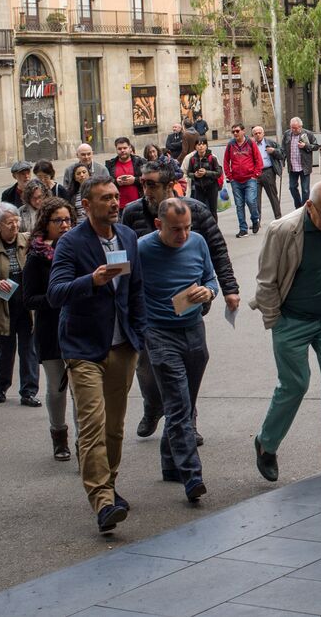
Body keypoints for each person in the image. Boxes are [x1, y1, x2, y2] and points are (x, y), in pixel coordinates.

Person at [48, 176, 146, 534]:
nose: (114, 203)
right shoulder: (71, 243)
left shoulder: (128, 237)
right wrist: (91, 280)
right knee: (92, 426)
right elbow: (56, 292)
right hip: (84, 348)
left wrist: (140, 334)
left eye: (116, 196)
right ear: (86, 206)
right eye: (105, 198)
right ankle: (102, 500)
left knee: (115, 428)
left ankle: (110, 483)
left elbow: (136, 290)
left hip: (122, 346)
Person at [124, 160, 240, 439]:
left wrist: (227, 289)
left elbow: (217, 250)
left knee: (187, 367)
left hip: (187, 304)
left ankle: (188, 423)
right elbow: (123, 255)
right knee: (147, 368)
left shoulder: (195, 211)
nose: (146, 189)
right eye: (143, 183)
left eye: (151, 184)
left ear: (168, 185)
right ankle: (153, 406)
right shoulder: (131, 212)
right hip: (149, 310)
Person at [252, 179, 321, 480]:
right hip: (291, 320)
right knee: (295, 384)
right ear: (309, 207)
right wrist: (275, 320)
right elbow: (266, 280)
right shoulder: (283, 230)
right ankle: (266, 444)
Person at [137, 198, 218, 502]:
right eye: (175, 230)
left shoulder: (197, 242)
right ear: (159, 225)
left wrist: (208, 290)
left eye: (186, 228)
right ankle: (192, 476)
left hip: (194, 330)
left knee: (184, 403)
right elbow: (127, 286)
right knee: (179, 406)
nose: (182, 235)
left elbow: (211, 277)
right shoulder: (142, 248)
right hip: (159, 334)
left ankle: (170, 464)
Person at [24, 198, 76, 461]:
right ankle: (59, 436)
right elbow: (29, 298)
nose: (65, 225)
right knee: (57, 387)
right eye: (59, 221)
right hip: (50, 329)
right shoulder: (37, 256)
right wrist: (58, 297)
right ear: (46, 223)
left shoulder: (79, 249)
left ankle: (85, 442)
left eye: (68, 220)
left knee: (82, 388)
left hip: (79, 327)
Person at [0, 203, 39, 407]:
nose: (15, 226)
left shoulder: (28, 241)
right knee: (4, 351)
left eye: (17, 221)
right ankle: (1, 387)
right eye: (9, 223)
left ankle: (29, 391)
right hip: (3, 307)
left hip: (27, 306)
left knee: (29, 351)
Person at [223, 123, 264, 237]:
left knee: (251, 201)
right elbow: (226, 161)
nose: (235, 133)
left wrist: (255, 175)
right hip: (235, 180)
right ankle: (243, 228)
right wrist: (230, 177)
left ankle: (255, 220)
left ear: (243, 131)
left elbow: (258, 160)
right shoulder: (231, 145)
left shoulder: (251, 143)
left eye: (237, 131)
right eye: (233, 132)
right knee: (239, 205)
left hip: (250, 179)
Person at [282, 116, 318, 209]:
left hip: (304, 166)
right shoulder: (287, 134)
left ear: (300, 127)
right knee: (292, 187)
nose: (293, 130)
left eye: (295, 128)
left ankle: (305, 208)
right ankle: (298, 207)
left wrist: (305, 146)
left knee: (305, 190)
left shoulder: (308, 134)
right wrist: (282, 162)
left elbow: (316, 146)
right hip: (292, 166)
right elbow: (283, 149)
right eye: (292, 127)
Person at [182, 136, 222, 214]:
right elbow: (189, 173)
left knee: (213, 210)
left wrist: (206, 172)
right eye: (198, 144)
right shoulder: (192, 159)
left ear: (206, 146)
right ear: (195, 147)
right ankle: (204, 226)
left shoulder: (212, 158)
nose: (201, 146)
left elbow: (219, 173)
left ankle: (214, 226)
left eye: (203, 144)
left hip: (211, 187)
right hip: (199, 188)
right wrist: (195, 175)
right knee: (200, 210)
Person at [252, 125, 283, 220]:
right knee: (255, 198)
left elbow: (282, 154)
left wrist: (274, 151)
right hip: (255, 173)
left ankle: (278, 217)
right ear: (253, 135)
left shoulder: (270, 143)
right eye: (255, 133)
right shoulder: (251, 145)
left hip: (268, 172)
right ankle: (257, 220)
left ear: (263, 133)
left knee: (272, 195)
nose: (258, 135)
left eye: (259, 133)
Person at [110, 137, 146, 208]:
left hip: (139, 205)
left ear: (130, 148)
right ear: (116, 150)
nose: (122, 150)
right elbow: (106, 183)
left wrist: (135, 180)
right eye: (119, 149)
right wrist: (116, 182)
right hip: (118, 207)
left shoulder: (141, 162)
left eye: (125, 148)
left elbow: (148, 179)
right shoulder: (110, 165)